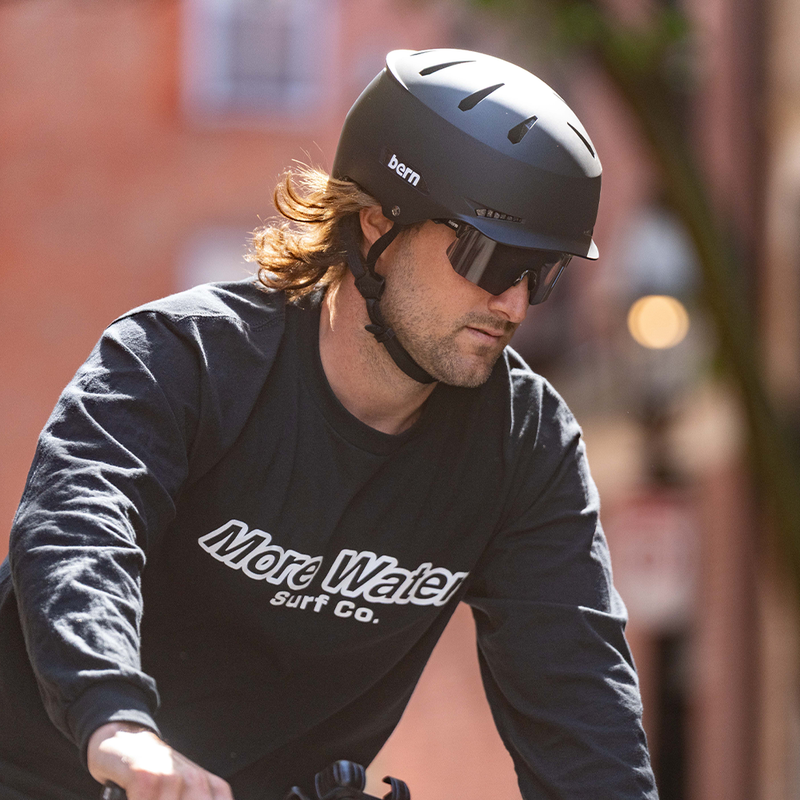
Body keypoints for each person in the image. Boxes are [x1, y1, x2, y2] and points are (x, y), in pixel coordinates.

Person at [0, 48, 658, 800]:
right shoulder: (184, 361)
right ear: (378, 223)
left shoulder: (525, 446)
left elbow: (582, 711)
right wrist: (116, 722)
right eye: (491, 258)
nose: (514, 303)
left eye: (543, 273)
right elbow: (78, 530)